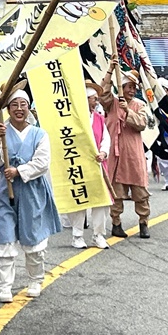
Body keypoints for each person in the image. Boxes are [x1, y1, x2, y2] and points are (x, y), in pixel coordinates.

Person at [0, 89, 63, 301]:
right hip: (4, 192)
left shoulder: (40, 134)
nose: (19, 109)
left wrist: (19, 171)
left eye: (23, 105)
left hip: (31, 192)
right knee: (4, 240)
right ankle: (4, 287)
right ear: (8, 109)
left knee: (33, 241)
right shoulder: (0, 131)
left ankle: (35, 280)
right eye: (14, 105)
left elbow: (42, 162)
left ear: (29, 108)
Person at [98, 69, 151, 239]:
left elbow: (142, 124)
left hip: (134, 155)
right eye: (128, 87)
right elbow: (102, 93)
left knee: (140, 191)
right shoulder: (111, 103)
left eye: (133, 88)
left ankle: (143, 223)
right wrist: (110, 70)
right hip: (116, 155)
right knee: (117, 192)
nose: (131, 90)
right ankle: (116, 223)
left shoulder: (139, 104)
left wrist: (128, 110)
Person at [61, 85, 112, 249]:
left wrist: (103, 153)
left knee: (101, 201)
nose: (96, 103)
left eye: (97, 99)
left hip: (97, 165)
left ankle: (98, 235)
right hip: (79, 165)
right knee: (79, 200)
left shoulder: (99, 118)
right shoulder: (73, 119)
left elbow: (106, 139)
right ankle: (77, 235)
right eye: (94, 99)